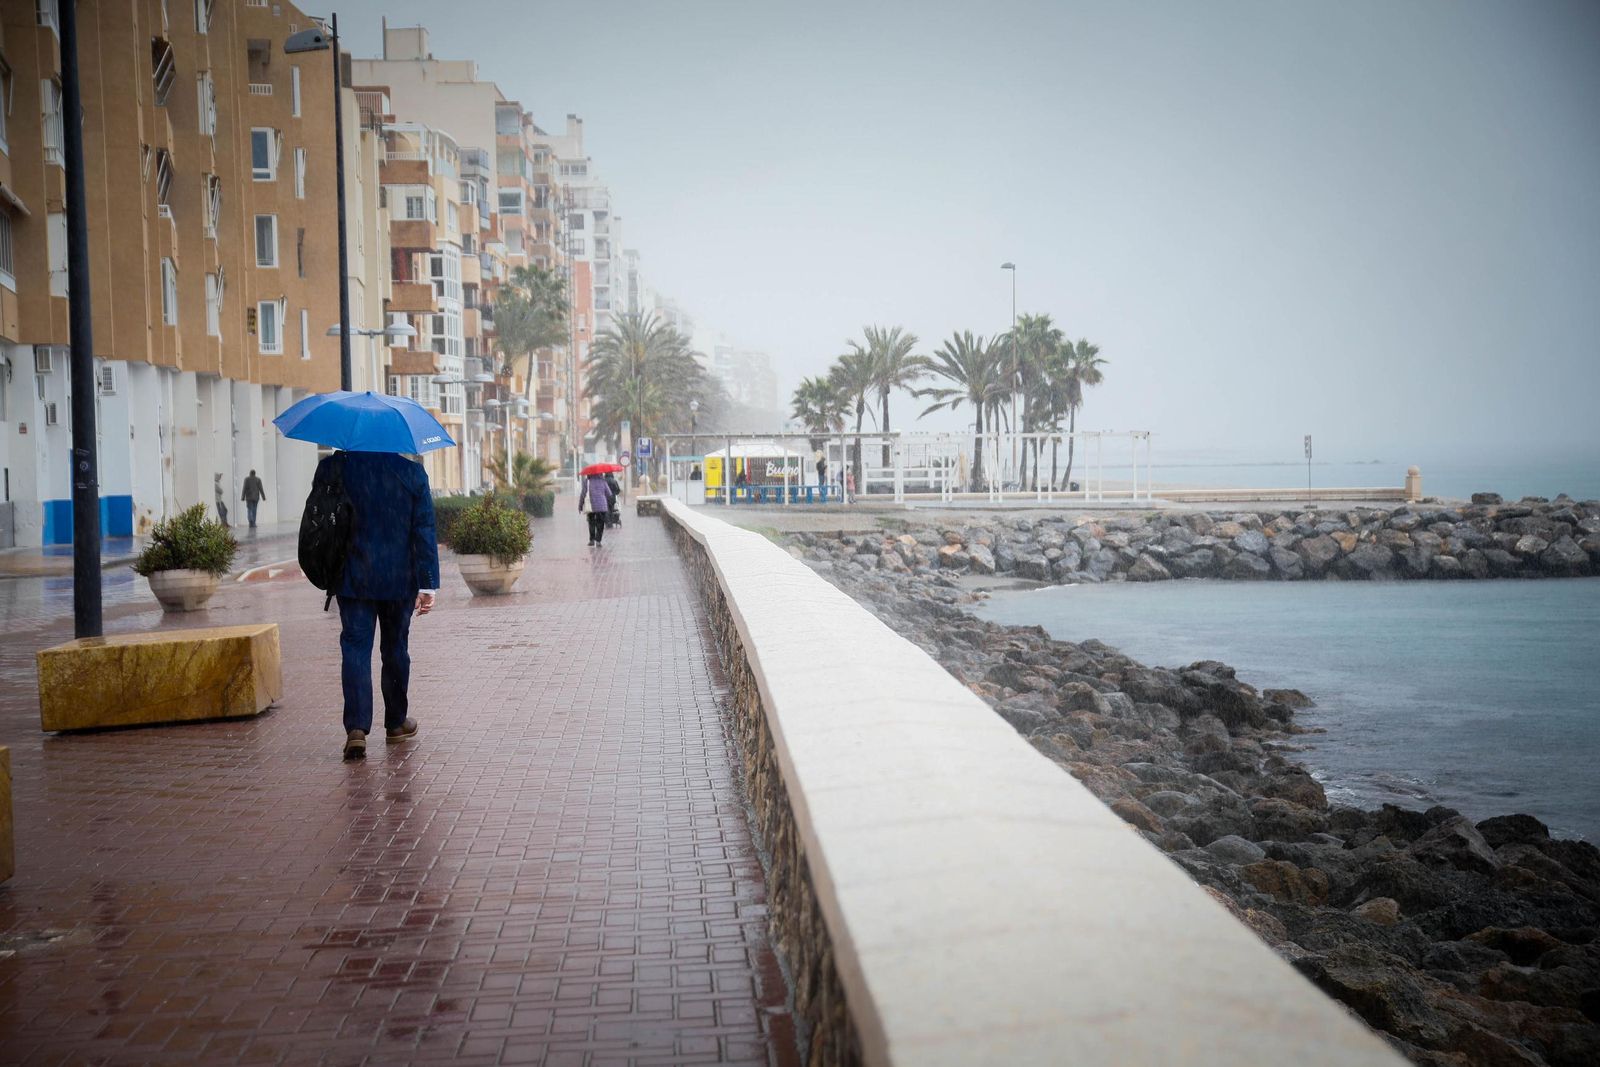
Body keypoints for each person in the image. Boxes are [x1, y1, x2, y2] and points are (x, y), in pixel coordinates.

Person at [313, 450, 439, 761]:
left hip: (352, 577)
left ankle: (356, 728)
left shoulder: (333, 468)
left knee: (355, 648)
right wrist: (427, 583)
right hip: (398, 578)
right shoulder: (412, 474)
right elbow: (423, 530)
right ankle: (396, 723)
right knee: (395, 648)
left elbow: (319, 521)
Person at [580, 472, 614, 546]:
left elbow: (583, 494)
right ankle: (598, 540)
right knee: (600, 523)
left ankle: (592, 540)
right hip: (602, 505)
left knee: (591, 522)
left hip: (591, 505)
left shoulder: (587, 481)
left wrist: (580, 505)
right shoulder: (603, 481)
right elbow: (609, 493)